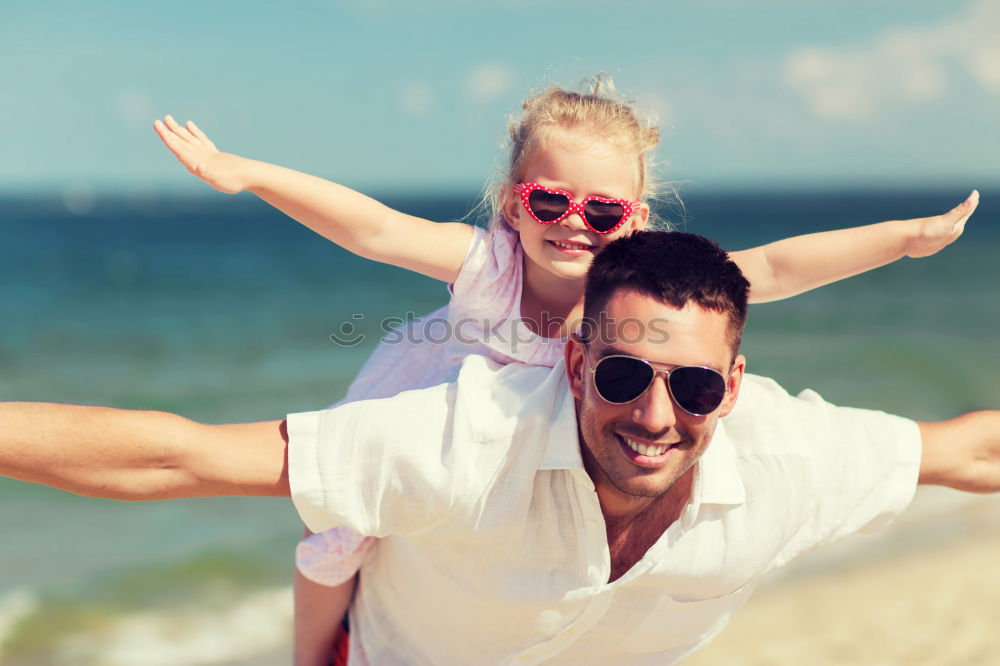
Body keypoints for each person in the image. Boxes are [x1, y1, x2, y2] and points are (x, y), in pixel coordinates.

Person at [153, 78, 980, 663]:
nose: (574, 225)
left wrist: (902, 240)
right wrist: (248, 174)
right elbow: (373, 229)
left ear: (636, 219)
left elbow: (777, 266)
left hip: (547, 449)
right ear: (515, 202)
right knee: (334, 540)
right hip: (442, 404)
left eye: (604, 211)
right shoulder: (488, 265)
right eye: (551, 201)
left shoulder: (643, 284)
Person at [3, 231, 999, 665]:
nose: (654, 415)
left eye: (693, 387)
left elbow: (966, 452)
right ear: (573, 367)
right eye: (622, 377)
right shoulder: (464, 440)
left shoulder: (792, 459)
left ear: (731, 389)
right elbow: (178, 459)